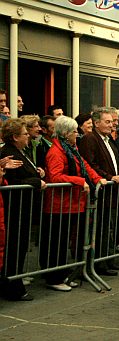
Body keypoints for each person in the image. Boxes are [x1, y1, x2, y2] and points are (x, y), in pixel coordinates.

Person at [41, 116, 106, 291]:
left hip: (71, 204)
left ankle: (61, 275)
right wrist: (79, 180)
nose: (77, 134)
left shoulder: (71, 149)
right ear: (66, 133)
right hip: (59, 205)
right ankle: (54, 278)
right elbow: (55, 177)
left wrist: (98, 179)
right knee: (58, 242)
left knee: (64, 241)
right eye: (74, 131)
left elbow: (85, 165)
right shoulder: (56, 152)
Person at [79, 107, 119, 276]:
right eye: (108, 122)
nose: (112, 125)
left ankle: (108, 259)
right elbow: (90, 164)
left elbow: (115, 164)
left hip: (112, 192)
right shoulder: (90, 139)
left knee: (109, 228)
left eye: (112, 122)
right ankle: (100, 263)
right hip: (101, 191)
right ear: (96, 123)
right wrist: (109, 177)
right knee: (101, 229)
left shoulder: (108, 139)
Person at [0, 118, 46, 301]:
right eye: (25, 133)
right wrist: (36, 181)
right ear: (14, 137)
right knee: (14, 249)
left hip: (23, 209)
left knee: (19, 249)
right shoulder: (8, 154)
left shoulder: (21, 151)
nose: (29, 136)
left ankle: (14, 284)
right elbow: (11, 182)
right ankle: (12, 288)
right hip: (15, 210)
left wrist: (38, 172)